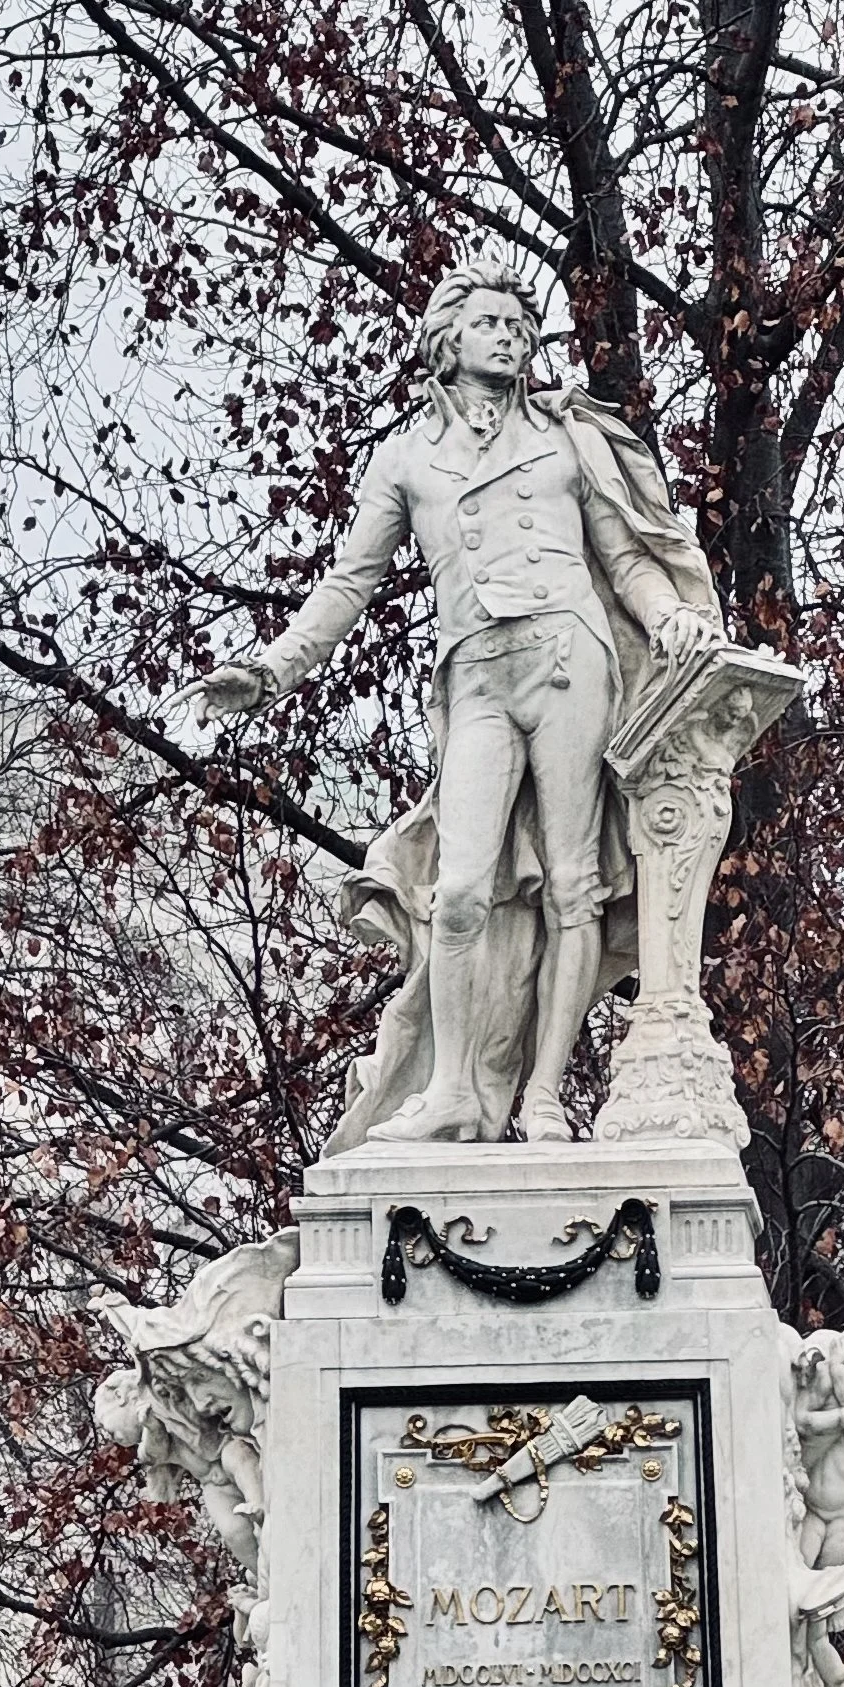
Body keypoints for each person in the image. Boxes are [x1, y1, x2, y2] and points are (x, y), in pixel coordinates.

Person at [191, 266, 723, 1147]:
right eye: (488, 323)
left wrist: (669, 616)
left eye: (519, 324)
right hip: (475, 676)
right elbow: (348, 580)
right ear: (448, 339)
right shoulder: (405, 459)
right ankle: (450, 1092)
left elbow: (626, 557)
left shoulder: (565, 439)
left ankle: (547, 1095)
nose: (510, 336)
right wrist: (274, 670)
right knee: (462, 889)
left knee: (572, 883)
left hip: (567, 656)